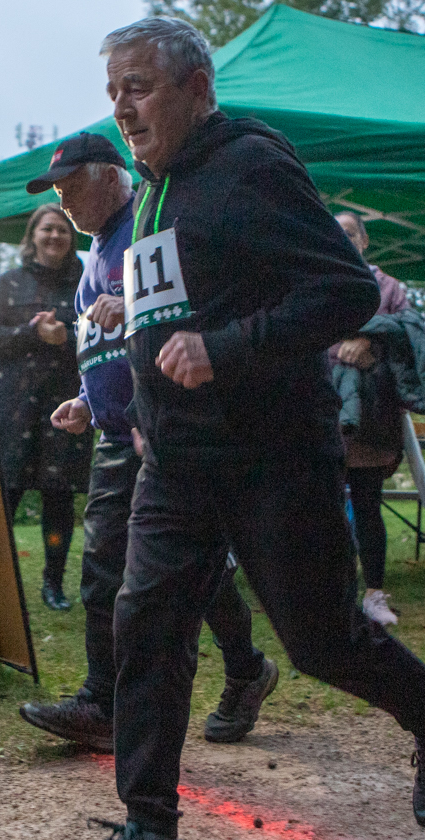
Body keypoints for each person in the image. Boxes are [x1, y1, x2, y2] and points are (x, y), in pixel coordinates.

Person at [46, 18, 425, 840]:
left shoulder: (250, 163)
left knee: (320, 638)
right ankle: (150, 838)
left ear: (197, 85)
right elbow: (173, 308)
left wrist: (226, 348)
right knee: (148, 624)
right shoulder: (158, 190)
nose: (123, 108)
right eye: (113, 92)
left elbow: (344, 290)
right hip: (177, 458)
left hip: (273, 451)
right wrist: (136, 403)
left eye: (138, 86)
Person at [17, 133, 276, 753]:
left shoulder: (150, 222)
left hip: (169, 425)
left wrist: (127, 301)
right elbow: (99, 345)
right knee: (150, 562)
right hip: (118, 432)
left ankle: (119, 701)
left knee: (157, 562)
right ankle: (228, 673)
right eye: (55, 189)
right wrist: (87, 399)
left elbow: (190, 302)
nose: (63, 199)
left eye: (70, 184)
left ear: (110, 175)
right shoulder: (94, 254)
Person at [0, 202, 94, 609]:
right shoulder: (10, 282)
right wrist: (33, 333)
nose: (55, 236)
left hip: (66, 402)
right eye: (47, 229)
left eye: (62, 230)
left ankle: (53, 583)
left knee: (58, 495)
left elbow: (106, 329)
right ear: (32, 237)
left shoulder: (87, 280)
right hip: (13, 405)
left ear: (72, 237)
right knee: (4, 493)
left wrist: (68, 336)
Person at [330, 211, 416, 625]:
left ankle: (375, 593)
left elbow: (411, 340)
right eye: (336, 233)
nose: (342, 239)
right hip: (326, 414)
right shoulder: (317, 280)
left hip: (372, 417)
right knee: (324, 509)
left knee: (367, 505)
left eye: (349, 233)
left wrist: (372, 345)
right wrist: (340, 350)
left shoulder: (390, 289)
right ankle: (335, 596)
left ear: (364, 241)